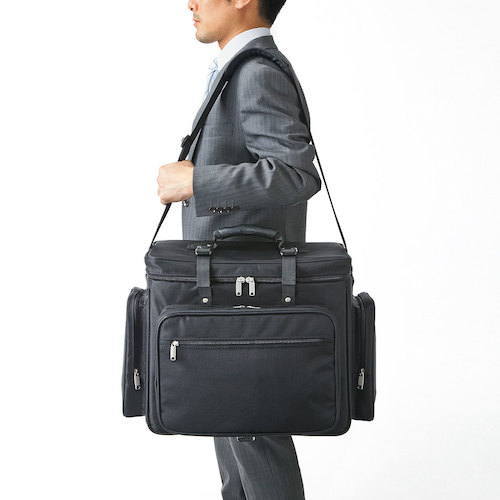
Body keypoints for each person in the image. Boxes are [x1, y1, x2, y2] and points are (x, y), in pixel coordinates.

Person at [157, 1, 321, 498]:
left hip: (245, 293)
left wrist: (196, 182)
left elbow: (295, 173)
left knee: (251, 428)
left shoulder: (256, 74)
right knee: (232, 424)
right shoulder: (238, 69)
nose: (190, 2)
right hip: (229, 288)